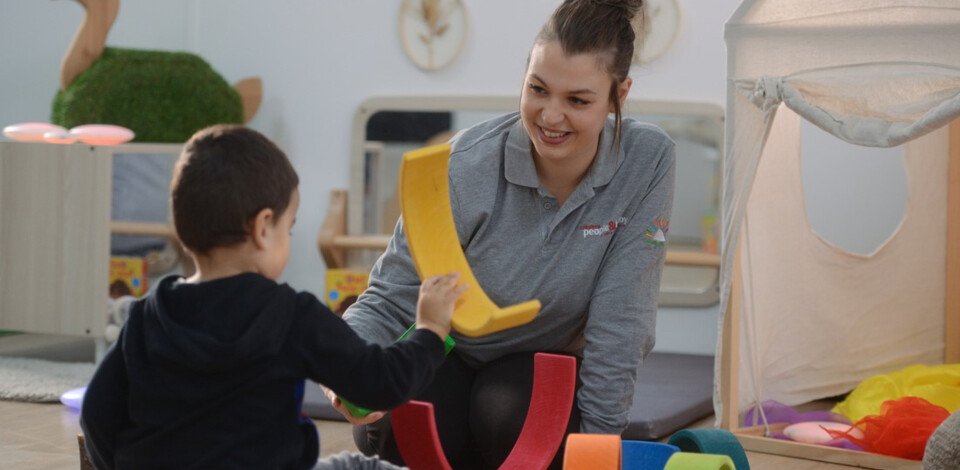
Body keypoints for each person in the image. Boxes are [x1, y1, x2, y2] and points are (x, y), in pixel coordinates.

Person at [337, 0, 675, 468]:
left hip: (539, 361)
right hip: (445, 349)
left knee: (517, 414)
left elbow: (623, 321)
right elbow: (391, 296)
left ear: (619, 96)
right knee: (413, 412)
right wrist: (348, 369)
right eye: (538, 89)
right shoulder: (464, 165)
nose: (551, 116)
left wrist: (596, 448)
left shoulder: (647, 161)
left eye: (577, 100)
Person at [80, 124, 467, 469]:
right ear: (264, 227)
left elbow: (97, 414)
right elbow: (378, 384)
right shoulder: (290, 315)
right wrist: (430, 329)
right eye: (290, 228)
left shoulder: (146, 316)